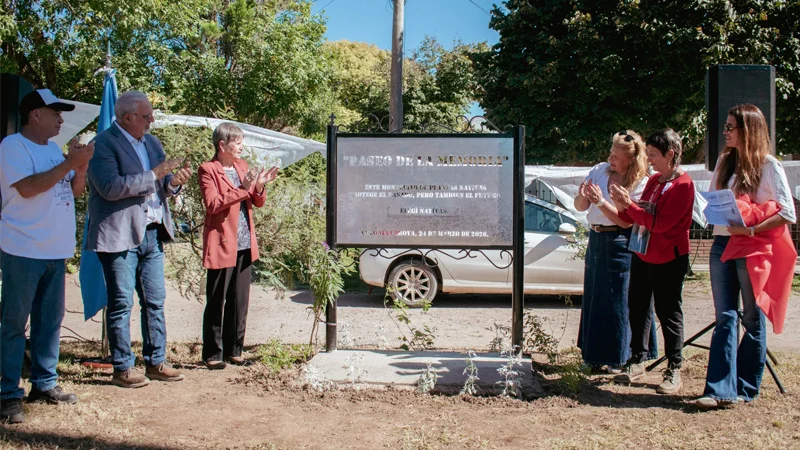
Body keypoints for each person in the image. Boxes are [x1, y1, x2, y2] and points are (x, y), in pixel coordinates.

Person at [86, 91, 192, 388]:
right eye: (146, 117)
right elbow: (109, 187)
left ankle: (156, 361)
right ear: (126, 117)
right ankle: (122, 367)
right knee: (121, 302)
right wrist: (154, 173)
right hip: (119, 235)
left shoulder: (152, 142)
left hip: (152, 232)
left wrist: (172, 183)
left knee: (155, 300)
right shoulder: (102, 144)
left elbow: (160, 185)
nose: (151, 121)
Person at [0, 89, 94, 423]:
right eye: (55, 112)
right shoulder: (13, 147)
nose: (61, 119)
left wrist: (79, 168)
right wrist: (71, 162)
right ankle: (8, 393)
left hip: (55, 250)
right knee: (13, 324)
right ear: (34, 114)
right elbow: (26, 188)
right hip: (23, 249)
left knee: (49, 323)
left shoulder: (54, 150)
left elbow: (72, 190)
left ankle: (44, 383)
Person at [695, 104, 796, 409]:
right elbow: (712, 200)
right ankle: (718, 390)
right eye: (725, 127)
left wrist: (751, 231)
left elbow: (787, 213)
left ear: (748, 130)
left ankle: (746, 388)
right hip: (722, 246)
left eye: (730, 127)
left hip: (752, 249)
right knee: (725, 317)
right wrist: (714, 209)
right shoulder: (726, 161)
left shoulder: (769, 166)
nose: (724, 132)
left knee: (752, 318)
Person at [609, 129, 694, 394]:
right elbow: (643, 213)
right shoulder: (656, 180)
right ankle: (638, 359)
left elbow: (661, 224)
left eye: (655, 155)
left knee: (668, 311)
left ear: (671, 154)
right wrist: (624, 205)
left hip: (669, 257)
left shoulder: (684, 185)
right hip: (644, 253)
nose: (651, 161)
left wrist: (630, 207)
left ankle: (674, 368)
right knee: (638, 305)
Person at [574, 130, 657, 373]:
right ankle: (593, 356)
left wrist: (601, 202)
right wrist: (583, 196)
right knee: (595, 297)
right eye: (611, 153)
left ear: (631, 159)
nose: (611, 159)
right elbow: (580, 207)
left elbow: (626, 222)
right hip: (596, 237)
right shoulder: (599, 170)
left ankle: (620, 357)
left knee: (619, 299)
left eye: (616, 157)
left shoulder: (640, 181)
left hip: (621, 240)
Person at [198, 123, 278, 369]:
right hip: (223, 242)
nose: (242, 147)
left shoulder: (242, 166)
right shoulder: (208, 170)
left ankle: (235, 351)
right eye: (238, 142)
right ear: (222, 145)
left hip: (245, 242)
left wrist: (260, 186)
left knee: (239, 300)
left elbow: (256, 201)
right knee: (217, 298)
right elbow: (213, 204)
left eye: (243, 142)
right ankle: (213, 354)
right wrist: (243, 189)